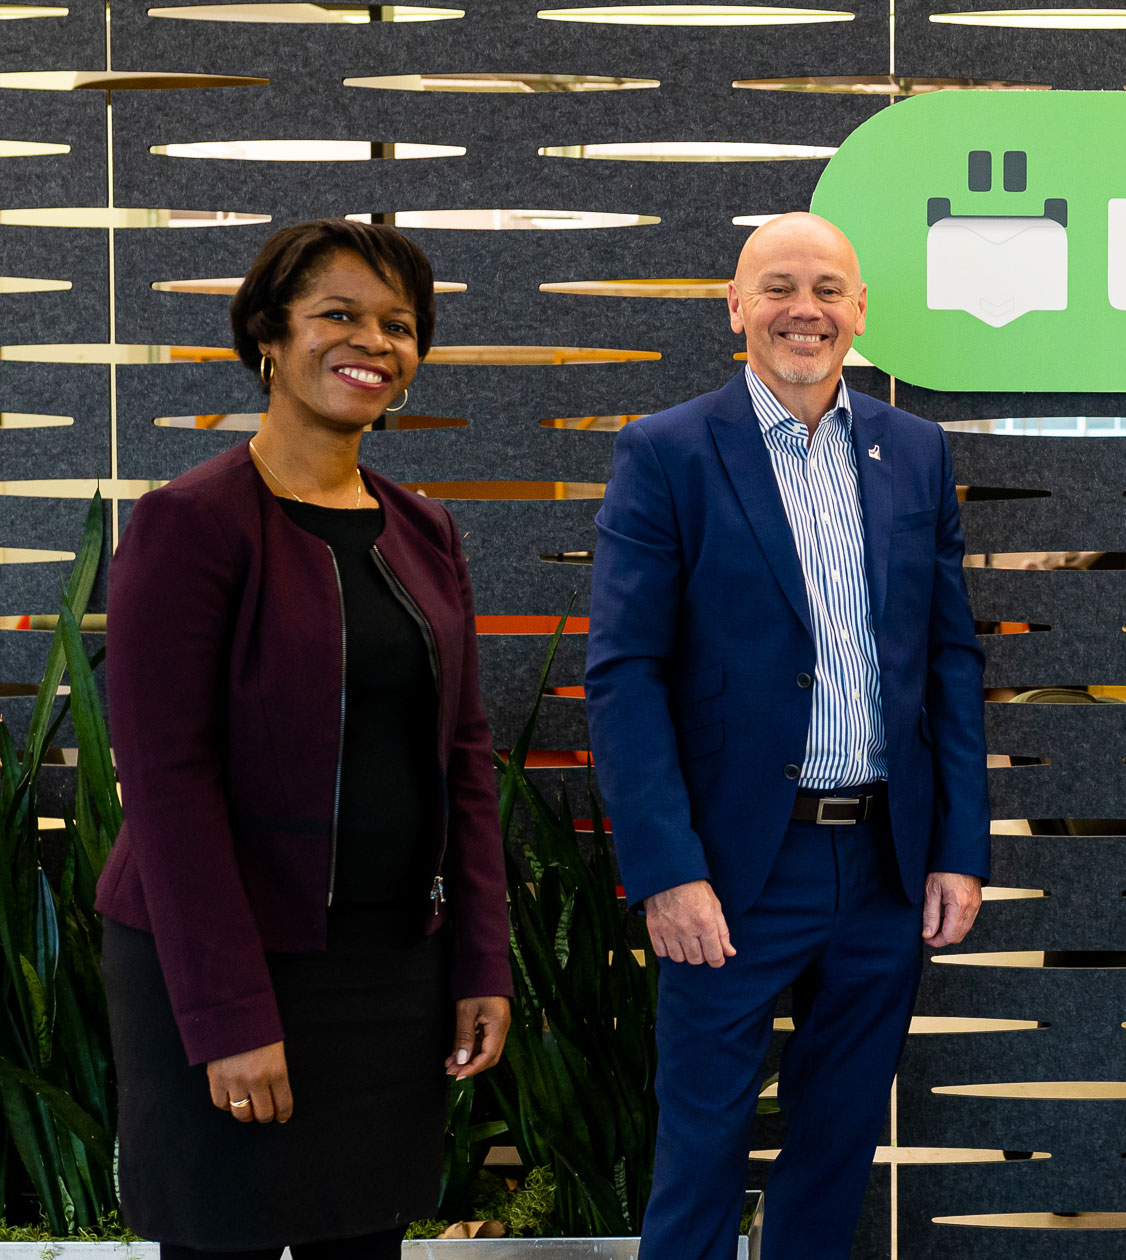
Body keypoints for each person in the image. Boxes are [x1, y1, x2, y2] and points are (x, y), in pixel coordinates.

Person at [97, 219, 514, 1259]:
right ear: (269, 338)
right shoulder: (189, 524)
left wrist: (481, 962)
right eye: (338, 312)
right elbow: (166, 785)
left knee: (364, 1242)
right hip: (223, 964)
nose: (371, 340)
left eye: (399, 324)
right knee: (221, 1239)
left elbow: (463, 757)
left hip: (387, 971)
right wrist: (231, 1014)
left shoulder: (426, 532)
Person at [586, 211, 988, 1259]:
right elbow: (624, 675)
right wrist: (666, 870)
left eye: (826, 289)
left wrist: (957, 849)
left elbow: (948, 661)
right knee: (703, 1147)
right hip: (731, 867)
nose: (802, 310)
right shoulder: (667, 453)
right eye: (776, 287)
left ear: (860, 311)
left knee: (837, 1147)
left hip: (886, 861)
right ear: (735, 307)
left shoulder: (915, 452)